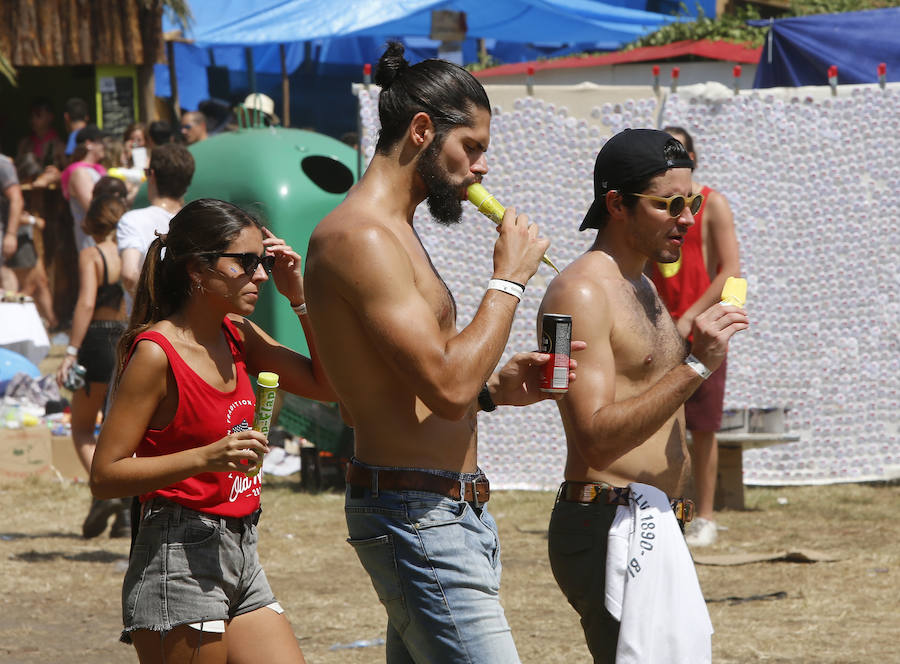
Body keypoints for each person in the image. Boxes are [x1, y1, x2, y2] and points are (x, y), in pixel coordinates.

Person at [304, 42, 578, 664]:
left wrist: (493, 388)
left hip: (444, 509)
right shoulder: (360, 237)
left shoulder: (395, 230)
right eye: (472, 147)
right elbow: (445, 386)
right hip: (416, 515)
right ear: (423, 130)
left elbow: (417, 390)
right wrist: (508, 282)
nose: (481, 168)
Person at [537, 128, 749, 663]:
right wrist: (697, 363)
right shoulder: (579, 292)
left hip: (651, 524)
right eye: (669, 203)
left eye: (692, 201)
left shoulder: (642, 283)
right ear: (617, 204)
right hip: (611, 522)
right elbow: (595, 439)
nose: (687, 217)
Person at [90, 198, 334, 662]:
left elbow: (328, 384)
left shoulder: (237, 332)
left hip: (241, 548)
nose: (260, 275)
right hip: (176, 556)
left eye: (262, 261)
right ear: (197, 270)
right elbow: (105, 476)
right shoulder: (156, 353)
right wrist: (207, 456)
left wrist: (298, 298)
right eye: (245, 263)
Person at [650, 126, 741, 548]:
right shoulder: (649, 207)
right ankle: (665, 508)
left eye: (679, 152)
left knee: (702, 428)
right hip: (655, 326)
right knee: (658, 420)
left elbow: (730, 270)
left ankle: (705, 515)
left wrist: (689, 317)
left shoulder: (712, 203)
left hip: (699, 327)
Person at [56, 194, 130, 537]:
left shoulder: (92, 255)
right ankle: (126, 509)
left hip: (97, 341)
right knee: (121, 429)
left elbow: (86, 302)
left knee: (83, 427)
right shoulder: (131, 252)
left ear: (90, 224)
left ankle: (104, 492)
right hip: (126, 339)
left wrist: (71, 350)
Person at [118, 143, 195, 300]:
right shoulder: (197, 220)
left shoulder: (132, 220)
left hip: (149, 321)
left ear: (151, 175)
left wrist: (158, 309)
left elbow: (129, 275)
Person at [61, 125, 107, 250]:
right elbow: (94, 208)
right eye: (100, 142)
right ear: (89, 144)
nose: (104, 145)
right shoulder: (80, 173)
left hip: (104, 241)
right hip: (92, 243)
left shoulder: (96, 170)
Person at [15, 97, 66, 188]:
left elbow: (69, 173)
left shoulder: (59, 145)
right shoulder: (24, 144)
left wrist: (57, 175)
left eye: (38, 115)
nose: (33, 120)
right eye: (31, 116)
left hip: (50, 197)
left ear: (50, 117)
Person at [1, 151, 24, 292]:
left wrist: (11, 234)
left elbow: (17, 199)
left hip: (2, 231)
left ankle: (9, 312)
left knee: (3, 271)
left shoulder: (2, 164)